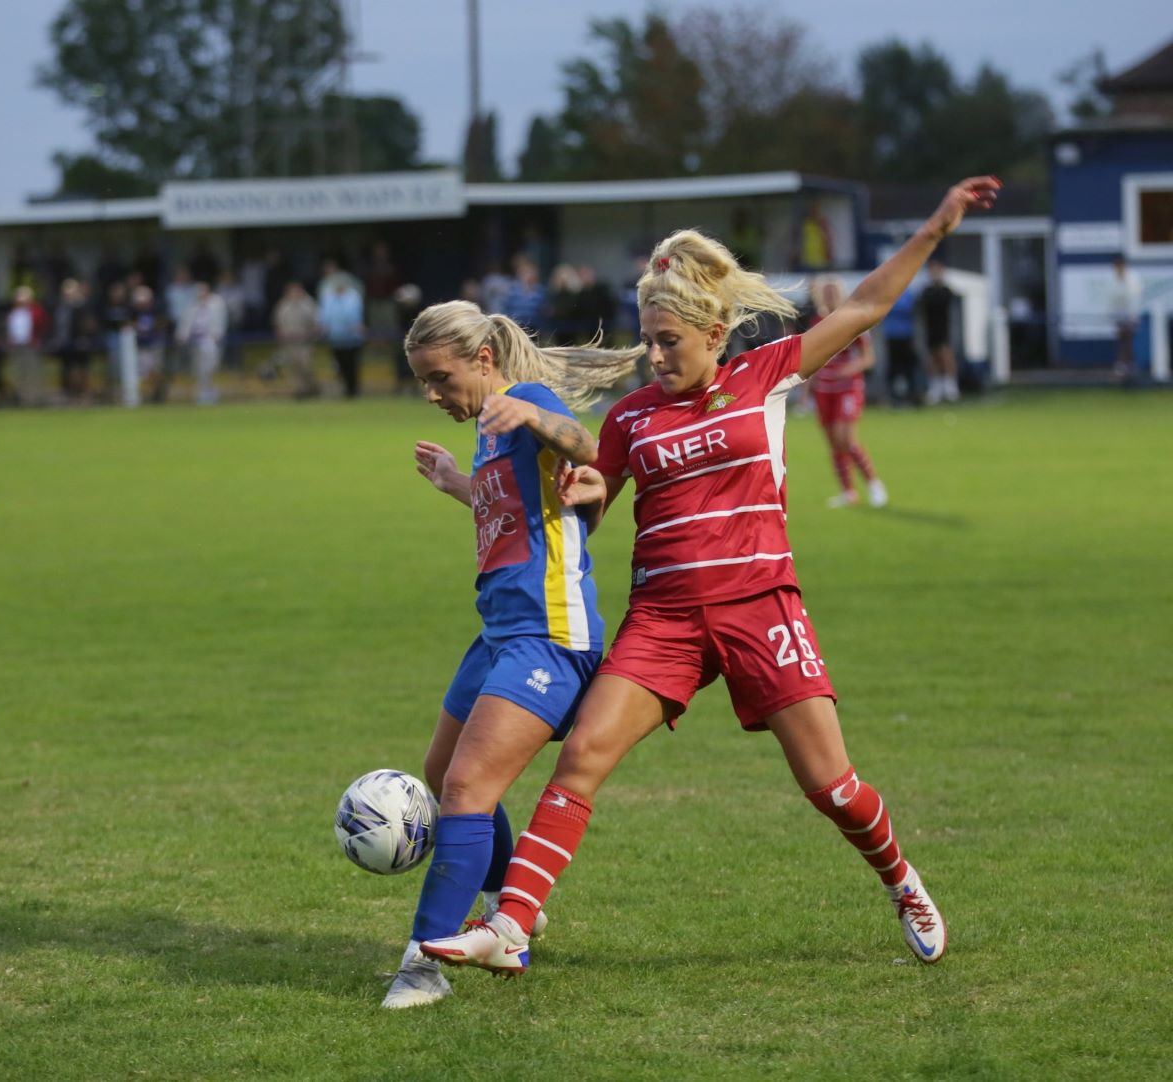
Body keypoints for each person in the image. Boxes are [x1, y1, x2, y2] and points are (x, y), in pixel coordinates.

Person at [420, 176, 1002, 983]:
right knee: (581, 755)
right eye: (647, 341)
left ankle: (903, 883)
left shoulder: (766, 377)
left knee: (831, 788)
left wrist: (936, 225)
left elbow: (865, 306)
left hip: (761, 608)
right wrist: (582, 497)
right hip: (662, 619)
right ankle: (512, 925)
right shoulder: (629, 419)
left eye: (669, 342)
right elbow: (591, 502)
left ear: (716, 332)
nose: (655, 357)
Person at [380, 300, 642, 1009]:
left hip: (549, 635)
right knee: (442, 773)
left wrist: (534, 417)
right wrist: (457, 486)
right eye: (423, 383)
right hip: (497, 631)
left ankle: (421, 964)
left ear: (483, 361)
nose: (433, 395)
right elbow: (517, 512)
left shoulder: (522, 402)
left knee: (467, 789)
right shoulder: (487, 432)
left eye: (440, 378)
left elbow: (585, 447)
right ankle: (509, 909)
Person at [808, 276, 887, 508]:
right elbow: (811, 357)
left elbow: (868, 357)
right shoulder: (817, 322)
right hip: (825, 389)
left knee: (847, 439)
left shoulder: (851, 321)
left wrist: (851, 368)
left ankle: (874, 484)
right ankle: (848, 492)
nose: (830, 295)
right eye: (827, 292)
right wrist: (806, 389)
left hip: (847, 388)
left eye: (834, 291)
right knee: (833, 442)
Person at [176, 281, 228, 405]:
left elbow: (220, 322)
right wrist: (182, 336)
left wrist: (217, 335)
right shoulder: (192, 306)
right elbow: (185, 323)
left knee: (209, 368)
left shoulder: (217, 303)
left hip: (210, 341)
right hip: (195, 342)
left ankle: (210, 392)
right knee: (198, 369)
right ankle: (202, 394)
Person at [269, 281, 320, 399]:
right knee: (295, 367)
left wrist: (312, 335)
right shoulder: (283, 305)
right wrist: (280, 336)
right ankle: (302, 390)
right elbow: (277, 323)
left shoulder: (308, 304)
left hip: (304, 342)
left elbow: (316, 324)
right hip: (289, 342)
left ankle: (312, 387)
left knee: (305, 366)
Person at [317, 277, 365, 398]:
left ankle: (353, 390)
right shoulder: (329, 298)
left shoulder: (353, 297)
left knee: (352, 364)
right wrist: (323, 328)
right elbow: (325, 316)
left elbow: (355, 316)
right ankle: (344, 389)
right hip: (335, 338)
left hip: (352, 339)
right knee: (340, 365)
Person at [920, 260, 960, 404]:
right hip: (931, 329)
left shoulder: (946, 290)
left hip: (944, 329)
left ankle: (950, 386)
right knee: (933, 357)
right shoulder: (927, 291)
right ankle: (936, 387)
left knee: (945, 355)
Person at [883, 287, 922, 407]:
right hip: (892, 336)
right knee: (894, 368)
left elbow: (908, 309)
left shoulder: (907, 293)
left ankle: (912, 395)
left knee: (909, 367)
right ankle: (894, 396)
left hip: (906, 336)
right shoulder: (888, 293)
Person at [1106, 256, 1142, 383]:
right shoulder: (1113, 279)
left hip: (1130, 315)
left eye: (1119, 266)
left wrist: (1133, 317)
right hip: (1119, 316)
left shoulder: (1132, 278)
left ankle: (1129, 366)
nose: (1117, 269)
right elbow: (1111, 299)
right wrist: (1113, 316)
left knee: (1128, 340)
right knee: (1122, 340)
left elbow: (1134, 298)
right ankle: (1122, 366)